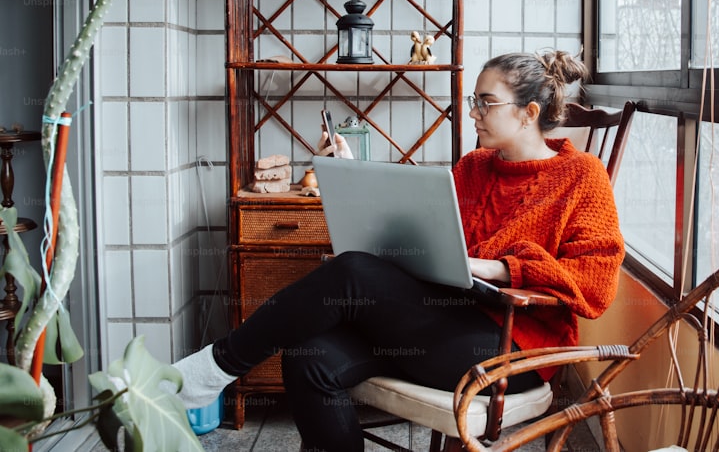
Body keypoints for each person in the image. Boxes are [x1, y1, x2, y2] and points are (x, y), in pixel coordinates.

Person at [170, 50, 624, 451]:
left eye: (486, 102)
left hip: (512, 347)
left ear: (528, 112)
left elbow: (595, 284)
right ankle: (213, 372)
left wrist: (496, 268)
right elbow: (424, 231)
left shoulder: (583, 175)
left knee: (351, 273)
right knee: (310, 359)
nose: (474, 113)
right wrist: (352, 176)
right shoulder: (473, 167)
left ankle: (215, 369)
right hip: (444, 321)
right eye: (474, 101)